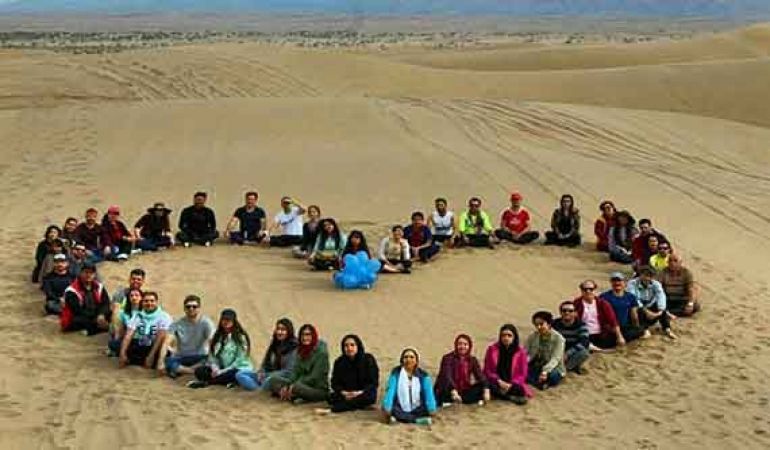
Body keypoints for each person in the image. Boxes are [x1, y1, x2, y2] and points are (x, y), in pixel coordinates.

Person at [187, 309, 253, 389]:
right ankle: (225, 382)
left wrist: (223, 371)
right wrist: (215, 367)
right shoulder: (218, 336)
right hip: (222, 367)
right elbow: (213, 355)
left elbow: (239, 360)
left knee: (232, 374)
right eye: (224, 319)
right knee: (200, 371)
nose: (226, 322)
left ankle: (207, 383)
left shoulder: (240, 337)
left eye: (229, 320)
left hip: (237, 368)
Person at [268, 324, 330, 403]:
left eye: (308, 335)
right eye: (302, 335)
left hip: (316, 388)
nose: (305, 338)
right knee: (273, 380)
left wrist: (294, 385)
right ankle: (289, 394)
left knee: (296, 388)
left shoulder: (321, 353)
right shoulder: (300, 350)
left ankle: (291, 395)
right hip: (298, 384)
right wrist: (288, 385)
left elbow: (314, 377)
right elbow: (295, 372)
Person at [159, 295, 215, 378]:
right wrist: (160, 362)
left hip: (200, 356)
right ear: (184, 308)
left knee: (209, 361)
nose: (191, 309)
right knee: (168, 361)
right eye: (188, 307)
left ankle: (181, 370)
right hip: (182, 357)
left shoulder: (206, 323)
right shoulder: (177, 324)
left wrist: (211, 359)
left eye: (194, 306)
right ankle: (192, 371)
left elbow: (212, 342)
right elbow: (166, 342)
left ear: (199, 308)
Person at [322, 334, 380, 413]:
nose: (349, 348)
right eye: (346, 346)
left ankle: (334, 410)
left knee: (369, 396)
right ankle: (357, 405)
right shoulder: (339, 362)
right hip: (346, 393)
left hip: (363, 392)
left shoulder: (368, 359)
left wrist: (359, 393)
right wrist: (343, 392)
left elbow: (373, 382)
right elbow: (335, 383)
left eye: (352, 345)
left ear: (358, 346)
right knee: (330, 397)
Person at [236, 318, 298, 391]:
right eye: (278, 329)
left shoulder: (294, 347)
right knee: (240, 374)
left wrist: (267, 375)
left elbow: (288, 372)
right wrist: (261, 372)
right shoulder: (274, 344)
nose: (280, 332)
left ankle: (259, 390)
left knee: (270, 380)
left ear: (289, 331)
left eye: (283, 330)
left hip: (280, 378)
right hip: (266, 375)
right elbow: (265, 363)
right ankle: (258, 389)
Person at [381, 348, 437, 425]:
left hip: (418, 406)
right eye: (406, 357)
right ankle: (417, 421)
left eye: (411, 357)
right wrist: (387, 406)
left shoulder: (423, 375)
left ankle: (400, 420)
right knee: (390, 409)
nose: (408, 360)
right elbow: (391, 390)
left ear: (416, 360)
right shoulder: (396, 373)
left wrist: (432, 408)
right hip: (399, 405)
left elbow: (428, 393)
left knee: (427, 410)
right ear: (402, 360)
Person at [118, 291, 172, 369]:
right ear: (142, 302)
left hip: (155, 346)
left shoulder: (164, 316)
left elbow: (161, 338)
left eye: (152, 301)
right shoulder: (138, 315)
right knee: (116, 345)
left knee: (165, 354)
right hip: (140, 344)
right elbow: (129, 334)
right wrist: (122, 353)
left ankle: (145, 360)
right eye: (146, 301)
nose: (149, 303)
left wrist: (151, 356)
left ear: (156, 302)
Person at [483, 324, 532, 405]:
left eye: (509, 335)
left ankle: (503, 395)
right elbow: (487, 370)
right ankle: (508, 398)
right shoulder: (492, 350)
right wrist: (499, 381)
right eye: (503, 335)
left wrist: (511, 384)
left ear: (514, 337)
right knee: (486, 385)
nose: (506, 338)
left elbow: (523, 374)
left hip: (512, 383)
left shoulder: (521, 352)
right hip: (497, 382)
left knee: (519, 389)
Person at [434, 334, 490, 405]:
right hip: (448, 390)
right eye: (460, 344)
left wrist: (486, 389)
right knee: (444, 387)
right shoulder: (447, 358)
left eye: (465, 344)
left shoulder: (472, 360)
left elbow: (480, 376)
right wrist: (453, 391)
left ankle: (461, 401)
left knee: (483, 386)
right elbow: (447, 376)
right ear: (456, 345)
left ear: (469, 346)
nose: (462, 347)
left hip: (463, 390)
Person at [573, 279, 624, 350]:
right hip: (584, 335)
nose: (588, 291)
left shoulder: (603, 303)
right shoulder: (576, 303)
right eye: (585, 289)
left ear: (595, 290)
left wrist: (619, 337)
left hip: (601, 334)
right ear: (581, 290)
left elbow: (613, 321)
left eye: (591, 289)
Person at [60, 263, 111, 335]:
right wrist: (97, 318)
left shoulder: (99, 287)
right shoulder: (71, 290)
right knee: (79, 320)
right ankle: (97, 329)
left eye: (91, 273)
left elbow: (105, 303)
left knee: (112, 312)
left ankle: (97, 327)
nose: (89, 275)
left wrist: (101, 314)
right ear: (81, 273)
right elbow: (77, 311)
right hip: (80, 317)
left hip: (97, 314)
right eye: (86, 272)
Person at [628, 266, 677, 339]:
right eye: (645, 275)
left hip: (650, 306)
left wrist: (659, 312)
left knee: (661, 307)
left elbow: (661, 296)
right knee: (637, 310)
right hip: (640, 308)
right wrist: (647, 312)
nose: (647, 278)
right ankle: (644, 330)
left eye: (650, 276)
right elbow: (634, 299)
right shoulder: (632, 283)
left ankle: (667, 329)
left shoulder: (656, 284)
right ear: (640, 274)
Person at [599, 272, 649, 343]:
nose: (617, 283)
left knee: (640, 330)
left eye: (619, 280)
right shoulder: (604, 297)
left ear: (624, 282)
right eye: (614, 281)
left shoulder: (630, 297)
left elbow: (634, 316)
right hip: (611, 328)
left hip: (625, 327)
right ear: (611, 282)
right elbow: (600, 315)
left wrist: (637, 329)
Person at [524, 311, 566, 390]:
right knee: (524, 372)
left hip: (553, 367)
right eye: (536, 325)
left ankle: (540, 382)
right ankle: (537, 383)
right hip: (537, 365)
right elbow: (526, 352)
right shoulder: (533, 336)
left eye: (541, 324)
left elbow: (556, 358)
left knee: (553, 376)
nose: (538, 327)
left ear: (549, 324)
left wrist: (545, 371)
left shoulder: (559, 339)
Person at [552, 301, 590, 373]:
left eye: (570, 311)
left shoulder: (581, 325)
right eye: (564, 310)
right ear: (560, 312)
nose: (567, 313)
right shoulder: (554, 324)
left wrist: (568, 354)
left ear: (575, 313)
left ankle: (565, 368)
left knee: (584, 353)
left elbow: (584, 342)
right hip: (557, 350)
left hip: (572, 352)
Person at [107, 287, 143, 356]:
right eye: (131, 296)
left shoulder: (144, 311)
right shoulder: (124, 313)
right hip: (129, 340)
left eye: (136, 295)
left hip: (142, 339)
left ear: (141, 298)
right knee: (112, 344)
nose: (134, 298)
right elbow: (120, 330)